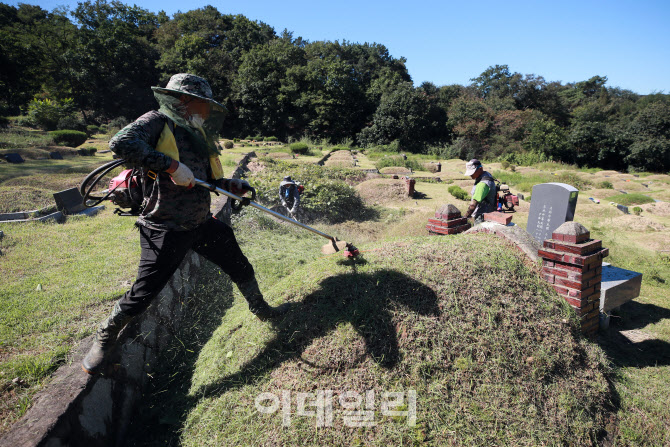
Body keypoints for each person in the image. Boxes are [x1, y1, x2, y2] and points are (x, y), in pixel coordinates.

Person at [81, 73, 290, 375]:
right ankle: (105, 337)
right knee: (143, 293)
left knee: (239, 265)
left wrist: (231, 184)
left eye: (207, 106)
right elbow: (121, 142)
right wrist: (171, 165)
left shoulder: (197, 133)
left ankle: (261, 310)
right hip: (164, 228)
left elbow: (209, 180)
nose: (204, 111)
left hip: (201, 223)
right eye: (200, 104)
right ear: (182, 100)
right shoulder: (156, 121)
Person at [463, 159, 497, 223]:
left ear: (480, 169)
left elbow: (473, 205)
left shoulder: (483, 184)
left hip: (483, 216)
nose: (471, 175)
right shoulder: (485, 174)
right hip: (488, 212)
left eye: (472, 172)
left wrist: (465, 217)